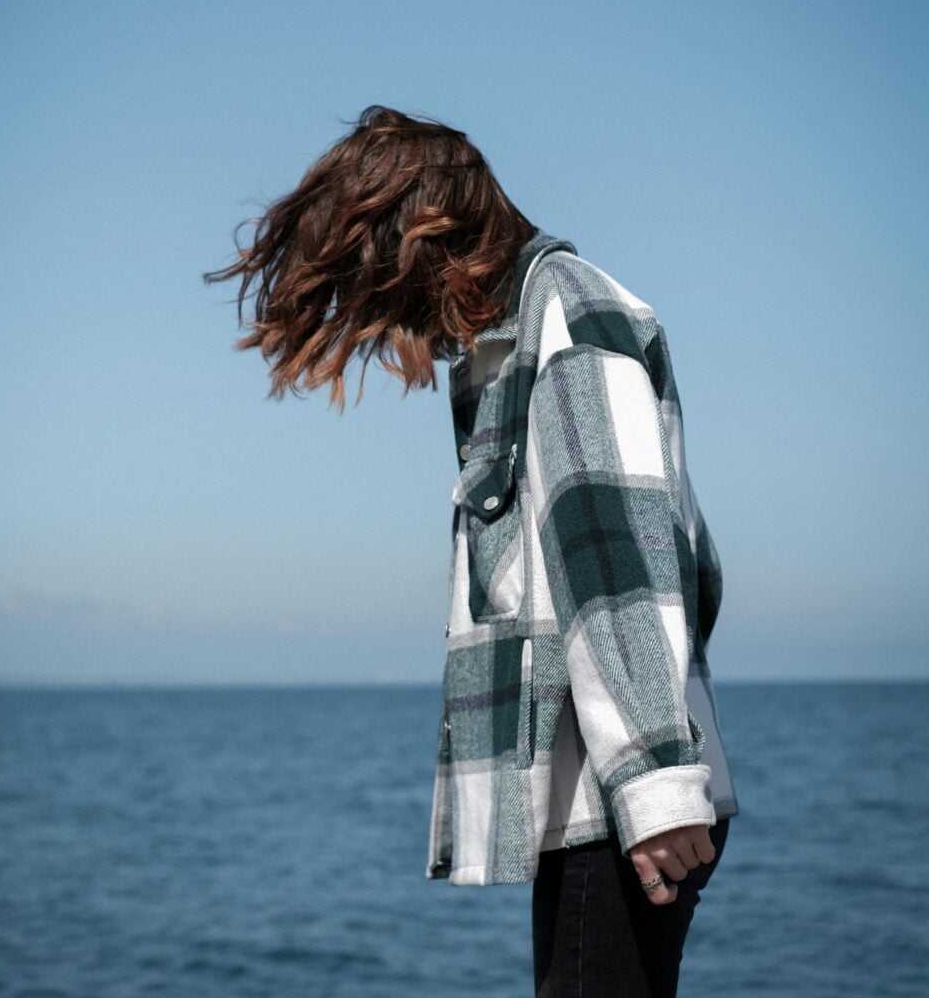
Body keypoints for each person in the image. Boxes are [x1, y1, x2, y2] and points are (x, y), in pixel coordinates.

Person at [204, 104, 740, 997]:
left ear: (429, 234)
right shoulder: (523, 337)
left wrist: (653, 785)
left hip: (620, 808)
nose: (391, 314)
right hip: (606, 802)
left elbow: (618, 568)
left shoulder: (567, 320)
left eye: (381, 277)